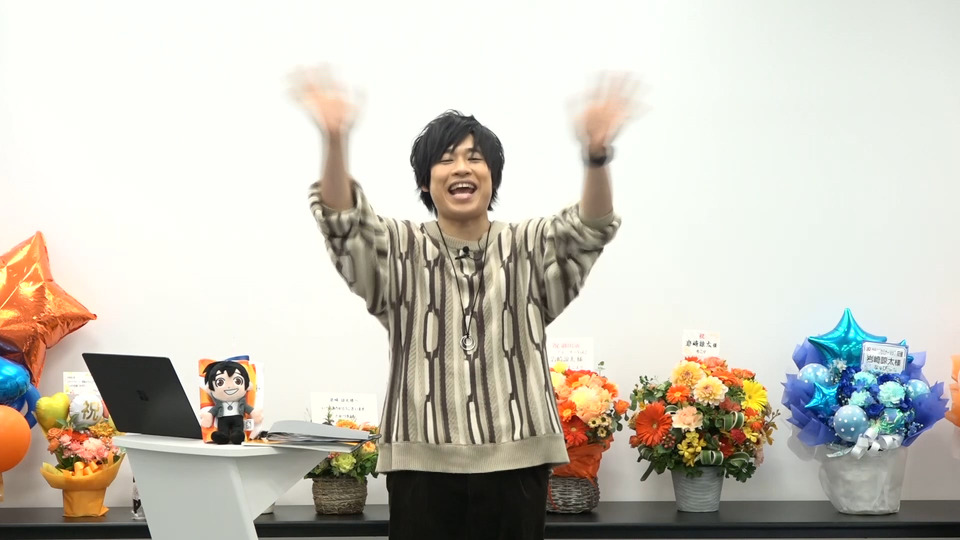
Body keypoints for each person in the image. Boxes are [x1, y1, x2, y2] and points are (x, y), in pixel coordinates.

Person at [293, 66, 639, 540]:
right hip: (421, 465)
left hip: (518, 462)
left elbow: (589, 229)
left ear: (492, 178)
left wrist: (596, 156)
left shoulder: (528, 245)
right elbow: (342, 222)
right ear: (425, 182)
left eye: (475, 158)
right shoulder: (399, 248)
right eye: (446, 159)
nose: (461, 168)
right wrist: (335, 138)